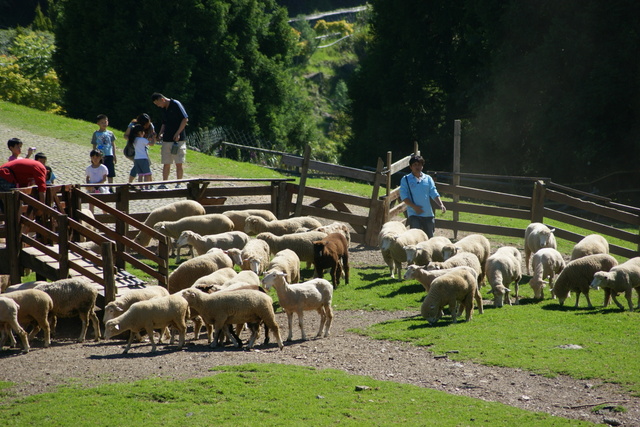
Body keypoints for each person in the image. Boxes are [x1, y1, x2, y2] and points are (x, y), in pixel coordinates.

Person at [399, 154, 446, 238]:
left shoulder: (428, 178)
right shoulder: (405, 179)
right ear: (411, 167)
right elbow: (404, 196)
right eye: (415, 165)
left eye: (419, 164)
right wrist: (414, 207)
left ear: (422, 166)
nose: (417, 167)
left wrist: (441, 204)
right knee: (415, 238)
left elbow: (434, 192)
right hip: (414, 214)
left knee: (429, 238)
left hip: (428, 214)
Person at [151, 92, 188, 188]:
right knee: (166, 162)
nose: (158, 106)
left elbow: (185, 119)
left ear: (162, 99)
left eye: (158, 103)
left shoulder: (176, 104)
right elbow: (164, 123)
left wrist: (178, 133)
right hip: (167, 139)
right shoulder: (164, 109)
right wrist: (161, 134)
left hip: (178, 140)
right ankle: (164, 183)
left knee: (179, 162)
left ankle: (179, 183)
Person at [91, 114, 117, 187]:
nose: (104, 124)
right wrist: (94, 155)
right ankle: (99, 186)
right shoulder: (96, 133)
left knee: (110, 171)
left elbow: (113, 144)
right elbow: (94, 144)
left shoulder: (110, 133)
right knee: (100, 170)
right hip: (100, 155)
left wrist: (114, 155)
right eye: (102, 122)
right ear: (98, 123)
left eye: (105, 122)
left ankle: (110, 187)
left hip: (109, 154)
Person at [127, 123, 154, 189]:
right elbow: (151, 144)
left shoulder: (134, 140)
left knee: (140, 175)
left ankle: (141, 187)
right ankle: (147, 188)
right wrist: (154, 138)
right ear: (140, 132)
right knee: (147, 174)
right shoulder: (142, 139)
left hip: (136, 159)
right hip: (143, 159)